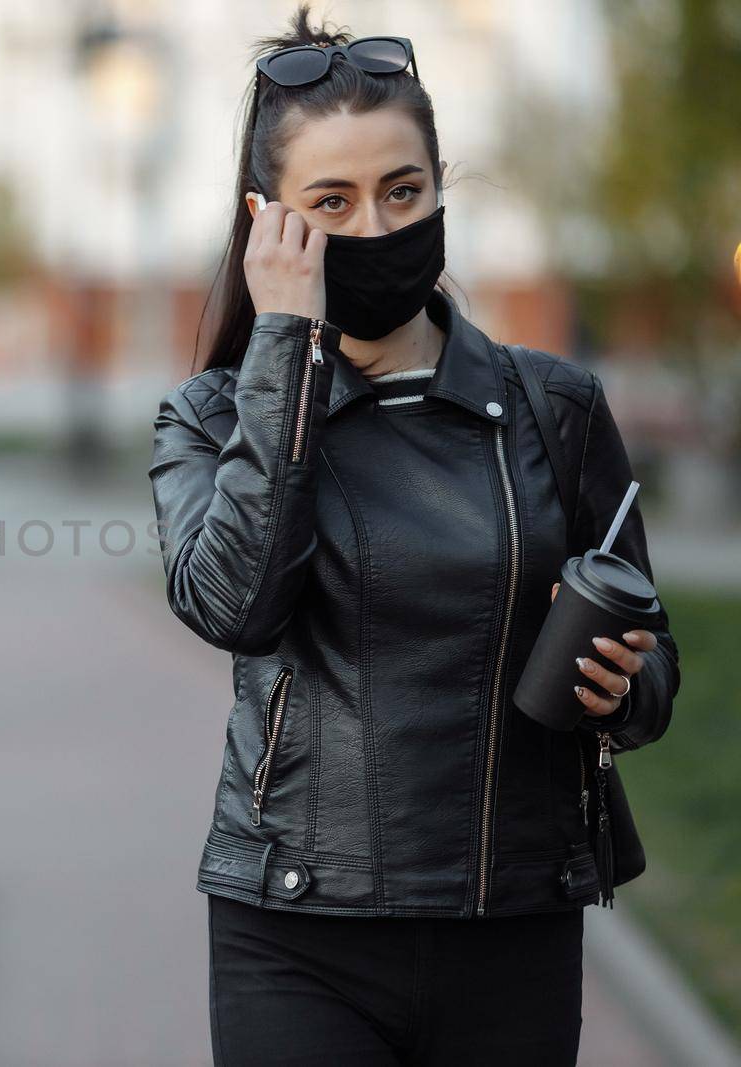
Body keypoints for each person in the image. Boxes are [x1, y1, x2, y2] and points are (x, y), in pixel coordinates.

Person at [146, 6, 682, 1066]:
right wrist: (288, 351)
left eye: (403, 190)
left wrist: (626, 683)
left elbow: (656, 668)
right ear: (269, 223)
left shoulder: (555, 408)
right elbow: (234, 607)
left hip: (512, 916)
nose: (377, 227)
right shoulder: (211, 417)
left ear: (440, 187)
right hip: (295, 924)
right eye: (331, 202)